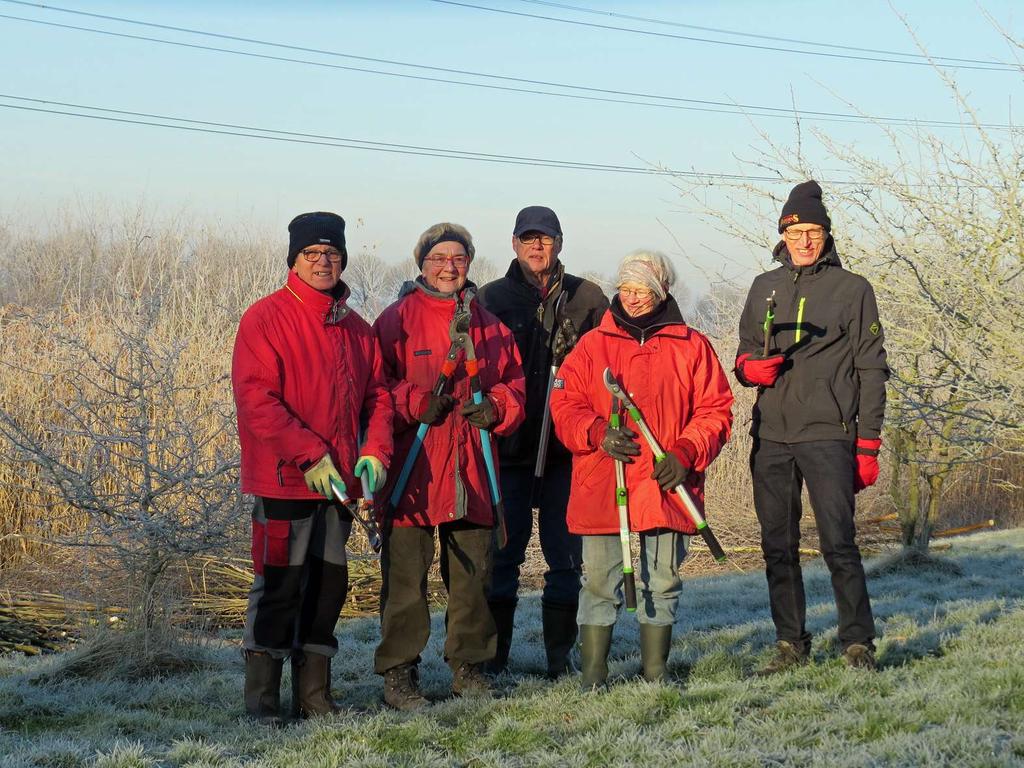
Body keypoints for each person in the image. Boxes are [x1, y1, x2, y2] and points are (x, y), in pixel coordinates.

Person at [232, 211, 393, 723]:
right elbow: (257, 399)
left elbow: (379, 398)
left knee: (327, 588)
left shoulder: (358, 329)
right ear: (294, 260)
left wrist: (375, 452)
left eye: (332, 254)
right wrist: (310, 454)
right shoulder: (266, 318)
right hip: (286, 480)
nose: (323, 262)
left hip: (340, 486)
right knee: (280, 584)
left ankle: (315, 697)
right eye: (312, 254)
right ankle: (262, 701)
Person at [550, 250, 734, 688]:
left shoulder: (693, 346)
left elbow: (717, 410)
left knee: (663, 579)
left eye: (643, 290)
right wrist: (598, 433)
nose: (632, 298)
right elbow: (564, 405)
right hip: (604, 482)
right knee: (598, 582)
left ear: (662, 291)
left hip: (666, 484)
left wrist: (687, 452)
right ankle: (594, 676)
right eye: (626, 288)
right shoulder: (593, 345)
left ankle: (656, 672)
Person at [734, 180, 889, 672]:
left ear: (826, 235)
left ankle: (857, 643)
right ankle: (790, 644)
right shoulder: (765, 287)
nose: (804, 239)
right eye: (795, 230)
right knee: (777, 545)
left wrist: (868, 443)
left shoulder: (853, 289)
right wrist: (746, 370)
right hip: (772, 435)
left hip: (830, 432)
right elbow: (743, 354)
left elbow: (872, 367)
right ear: (782, 234)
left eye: (813, 231)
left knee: (839, 542)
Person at [372, 222, 526, 711]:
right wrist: (414, 401)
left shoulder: (490, 325)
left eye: (457, 258)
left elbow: (515, 382)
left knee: (473, 578)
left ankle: (470, 668)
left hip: (472, 468)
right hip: (414, 472)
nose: (448, 267)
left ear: (469, 264)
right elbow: (376, 387)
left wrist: (498, 406)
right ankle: (400, 673)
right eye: (438, 258)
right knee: (404, 580)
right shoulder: (395, 320)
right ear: (422, 263)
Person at [476, 205, 609, 678]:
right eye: (528, 238)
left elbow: (608, 368)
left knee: (565, 558)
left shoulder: (587, 297)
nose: (537, 246)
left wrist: (577, 353)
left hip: (565, 453)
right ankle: (494, 659)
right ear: (514, 244)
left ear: (559, 243)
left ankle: (560, 657)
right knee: (503, 557)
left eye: (546, 238)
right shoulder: (492, 298)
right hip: (509, 451)